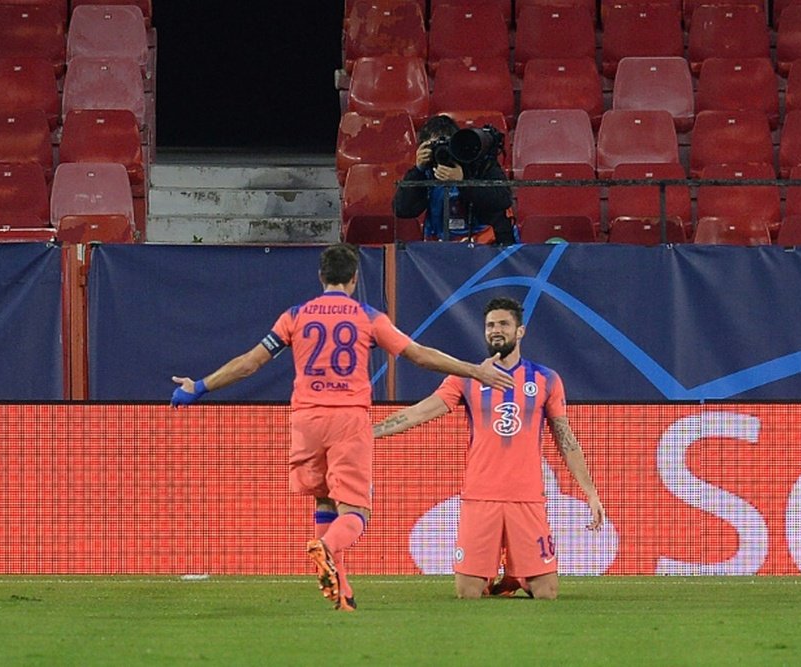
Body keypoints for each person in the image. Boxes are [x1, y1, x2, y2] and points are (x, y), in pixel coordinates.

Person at [170, 243, 514, 611]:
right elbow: (418, 355)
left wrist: (200, 386)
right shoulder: (368, 316)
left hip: (305, 420)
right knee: (356, 511)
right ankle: (328, 546)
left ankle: (342, 591)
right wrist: (474, 370)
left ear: (321, 277)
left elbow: (250, 363)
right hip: (348, 420)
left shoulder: (295, 316)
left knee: (324, 499)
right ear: (353, 278)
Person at [373, 296, 606, 599]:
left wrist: (590, 491)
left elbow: (565, 438)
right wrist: (369, 432)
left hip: (526, 498)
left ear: (520, 331)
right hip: (480, 496)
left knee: (547, 593)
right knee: (467, 593)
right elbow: (419, 412)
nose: (496, 330)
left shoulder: (546, 378)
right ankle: (501, 577)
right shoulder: (464, 378)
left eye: (504, 324)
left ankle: (515, 576)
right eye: (490, 325)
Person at [393, 114, 517, 245]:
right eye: (435, 146)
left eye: (447, 144)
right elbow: (402, 210)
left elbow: (502, 199)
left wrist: (462, 182)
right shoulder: (425, 171)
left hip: (486, 249)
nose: (442, 151)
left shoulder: (478, 164)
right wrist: (417, 171)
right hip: (439, 251)